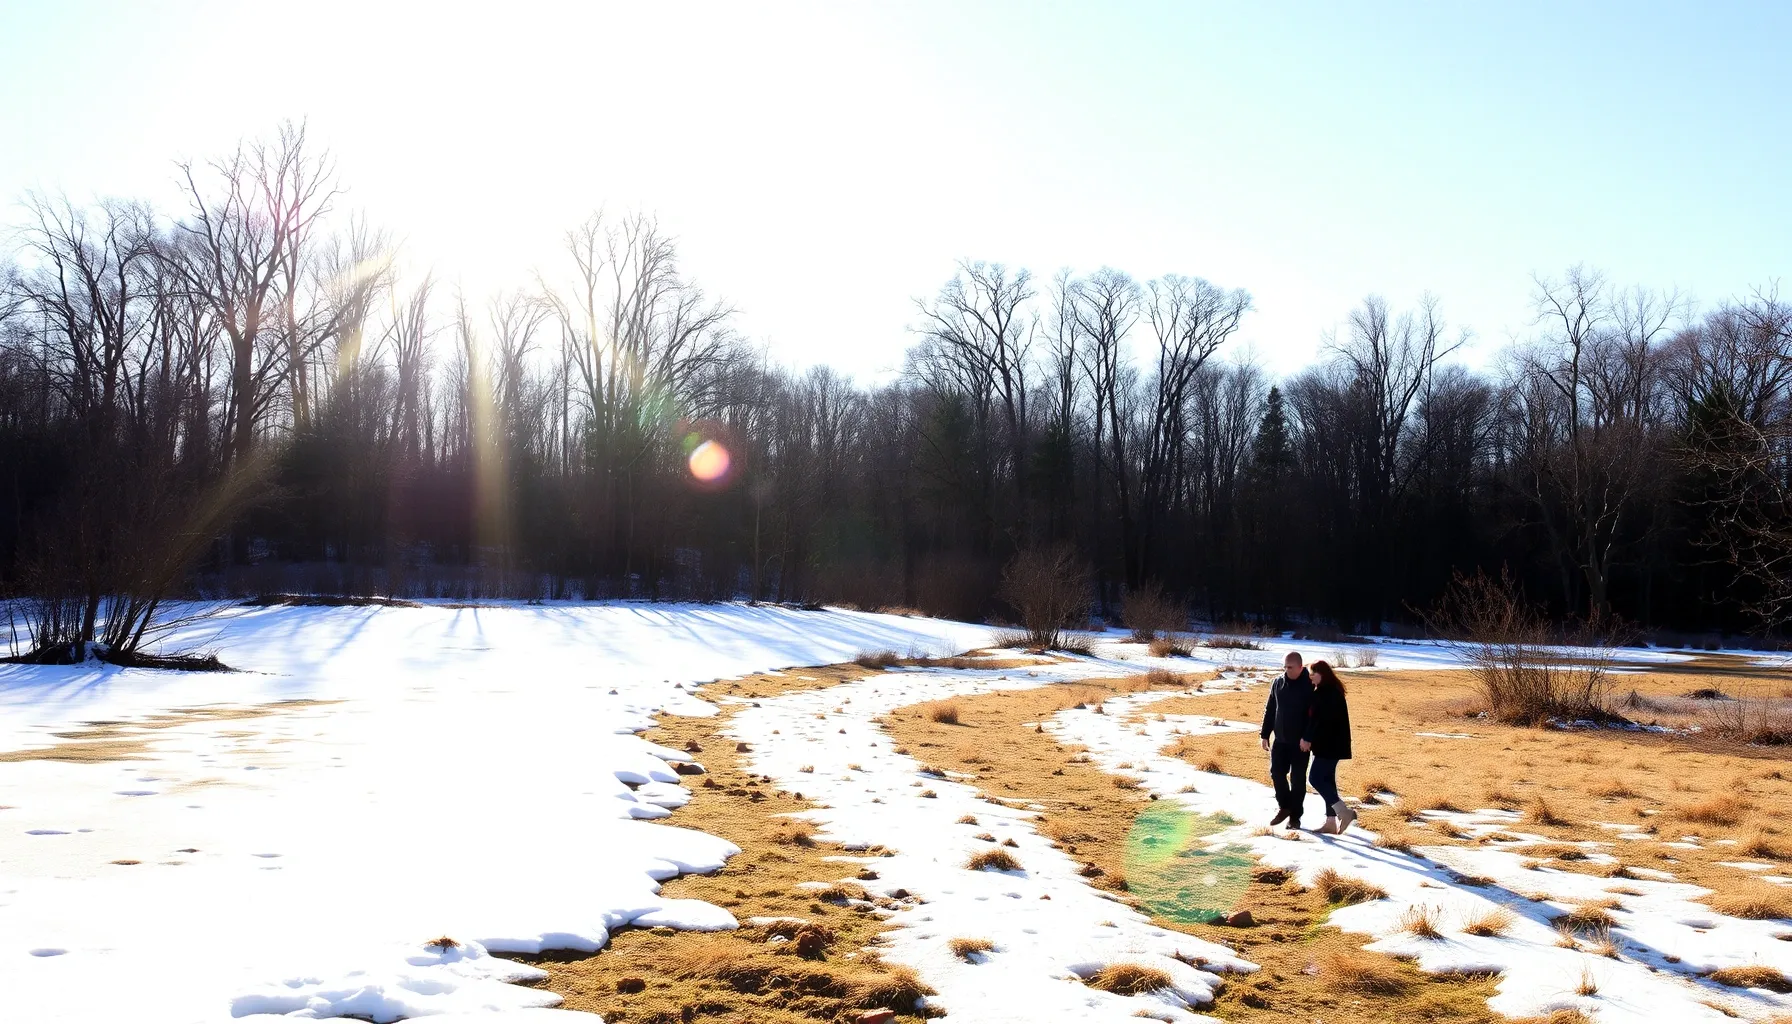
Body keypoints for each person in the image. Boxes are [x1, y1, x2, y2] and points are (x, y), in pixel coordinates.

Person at [1259, 651, 1315, 829]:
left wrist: (1308, 737)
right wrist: (1264, 734)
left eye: (1290, 667)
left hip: (1301, 743)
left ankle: (1295, 818)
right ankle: (1284, 806)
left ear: (1300, 667)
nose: (1286, 670)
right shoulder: (1278, 682)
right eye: (1284, 667)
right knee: (1276, 773)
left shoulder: (1310, 685)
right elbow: (1270, 709)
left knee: (1297, 780)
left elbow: (1315, 716)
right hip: (1280, 740)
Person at [1302, 659, 1356, 835]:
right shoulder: (1331, 690)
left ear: (1322, 674)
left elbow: (1317, 720)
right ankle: (1331, 822)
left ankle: (1343, 812)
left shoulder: (1326, 693)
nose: (1310, 677)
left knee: (1315, 778)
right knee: (1328, 781)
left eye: (1313, 673)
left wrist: (1307, 738)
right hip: (1332, 744)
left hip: (1329, 745)